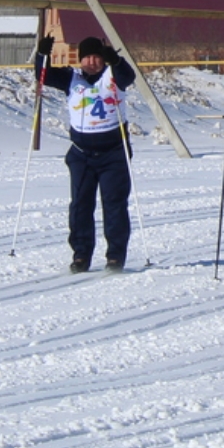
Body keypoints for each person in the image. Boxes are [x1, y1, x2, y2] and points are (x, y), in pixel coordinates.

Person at [35, 35, 136, 273]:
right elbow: (43, 75)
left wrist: (116, 60)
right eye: (87, 57)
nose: (92, 62)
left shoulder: (113, 76)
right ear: (80, 60)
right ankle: (81, 255)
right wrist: (42, 55)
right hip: (81, 154)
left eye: (97, 57)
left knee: (114, 204)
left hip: (114, 153)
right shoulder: (72, 78)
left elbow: (128, 77)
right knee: (80, 205)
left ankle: (115, 256)